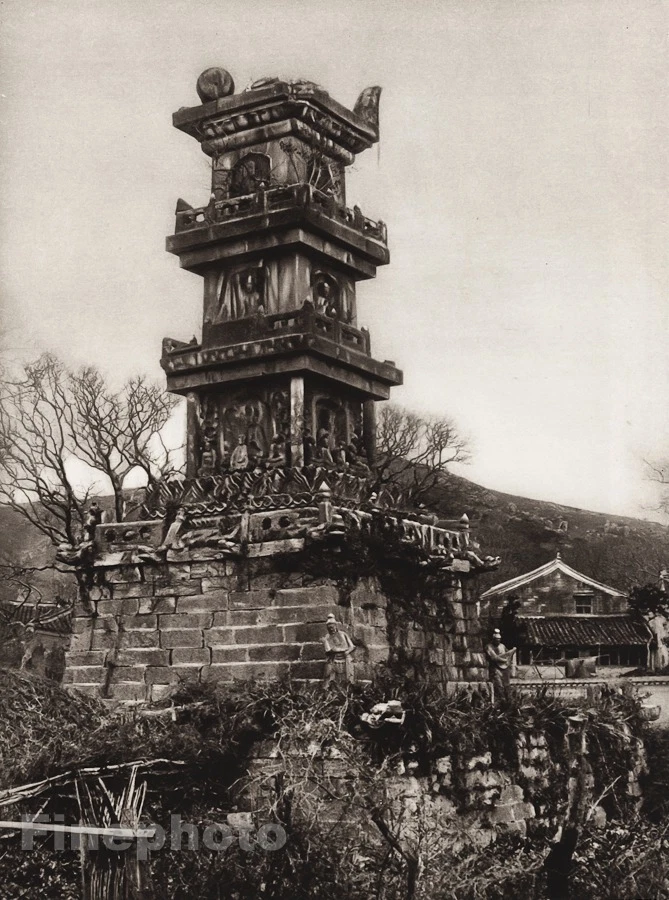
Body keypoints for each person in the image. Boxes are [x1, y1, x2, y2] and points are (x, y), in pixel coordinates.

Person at [322, 614, 355, 686]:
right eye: (329, 628)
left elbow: (352, 646)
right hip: (333, 659)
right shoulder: (327, 637)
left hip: (345, 658)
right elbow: (327, 650)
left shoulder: (343, 634)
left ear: (336, 626)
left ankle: (348, 689)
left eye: (333, 627)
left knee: (348, 677)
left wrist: (347, 651)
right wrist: (332, 650)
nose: (331, 630)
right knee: (330, 677)